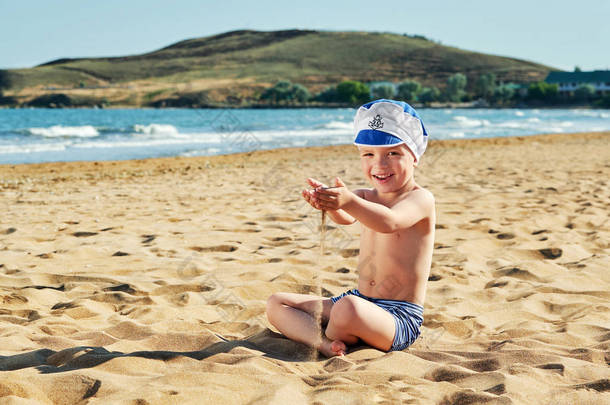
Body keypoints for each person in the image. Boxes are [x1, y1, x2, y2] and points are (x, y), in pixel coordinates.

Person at [266, 99, 435, 357]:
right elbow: (345, 217)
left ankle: (331, 330)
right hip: (360, 299)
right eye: (368, 154)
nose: (379, 164)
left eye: (392, 153)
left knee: (348, 309)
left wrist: (348, 200)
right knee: (276, 302)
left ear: (414, 157)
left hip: (398, 317)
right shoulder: (365, 197)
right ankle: (324, 344)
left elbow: (389, 222)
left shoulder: (419, 199)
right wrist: (330, 202)